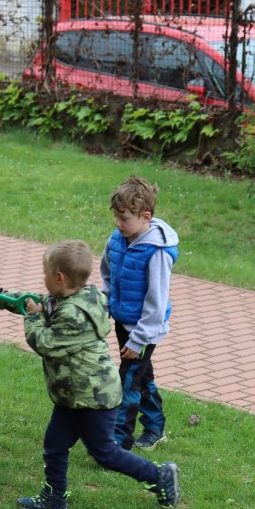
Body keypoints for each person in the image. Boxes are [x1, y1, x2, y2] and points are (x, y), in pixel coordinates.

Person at [0, 240, 179, 509]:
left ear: (59, 277)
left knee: (105, 453)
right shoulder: (71, 298)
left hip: (93, 398)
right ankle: (55, 497)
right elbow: (28, 301)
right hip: (72, 394)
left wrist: (33, 317)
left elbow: (45, 343)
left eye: (45, 274)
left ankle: (160, 476)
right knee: (55, 445)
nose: (43, 279)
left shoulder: (73, 314)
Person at [100, 175, 179, 451]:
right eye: (116, 217)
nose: (118, 223)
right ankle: (155, 427)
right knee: (142, 377)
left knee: (128, 380)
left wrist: (138, 340)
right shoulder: (118, 239)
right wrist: (105, 302)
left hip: (145, 330)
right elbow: (109, 274)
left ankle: (118, 440)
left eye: (124, 218)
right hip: (123, 321)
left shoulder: (156, 252)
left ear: (145, 217)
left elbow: (157, 301)